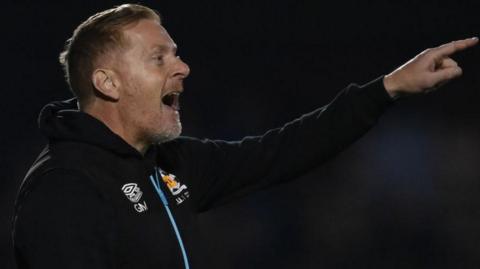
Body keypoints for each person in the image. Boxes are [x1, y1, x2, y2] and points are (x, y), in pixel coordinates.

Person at [12, 3, 478, 269]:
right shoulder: (66, 185)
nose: (183, 67)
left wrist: (388, 88)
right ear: (107, 82)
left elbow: (281, 151)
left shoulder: (169, 164)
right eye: (159, 58)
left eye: (176, 55)